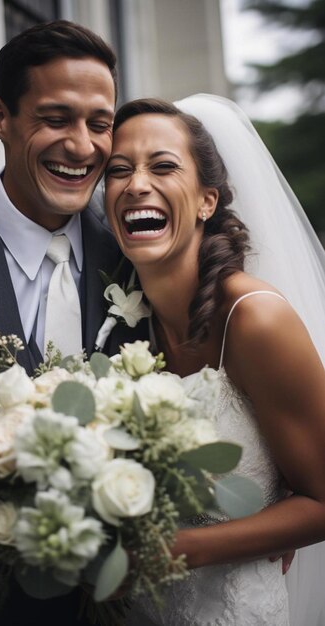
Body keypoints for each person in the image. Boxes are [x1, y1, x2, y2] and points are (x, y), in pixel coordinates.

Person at [0, 20, 146, 626]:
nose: (83, 146)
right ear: (0, 117)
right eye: (55, 118)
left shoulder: (138, 256)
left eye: (99, 123)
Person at [104, 95, 325, 625]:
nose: (136, 183)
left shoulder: (256, 320)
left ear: (207, 201)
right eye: (118, 170)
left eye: (162, 166)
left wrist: (182, 551)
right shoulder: (117, 327)